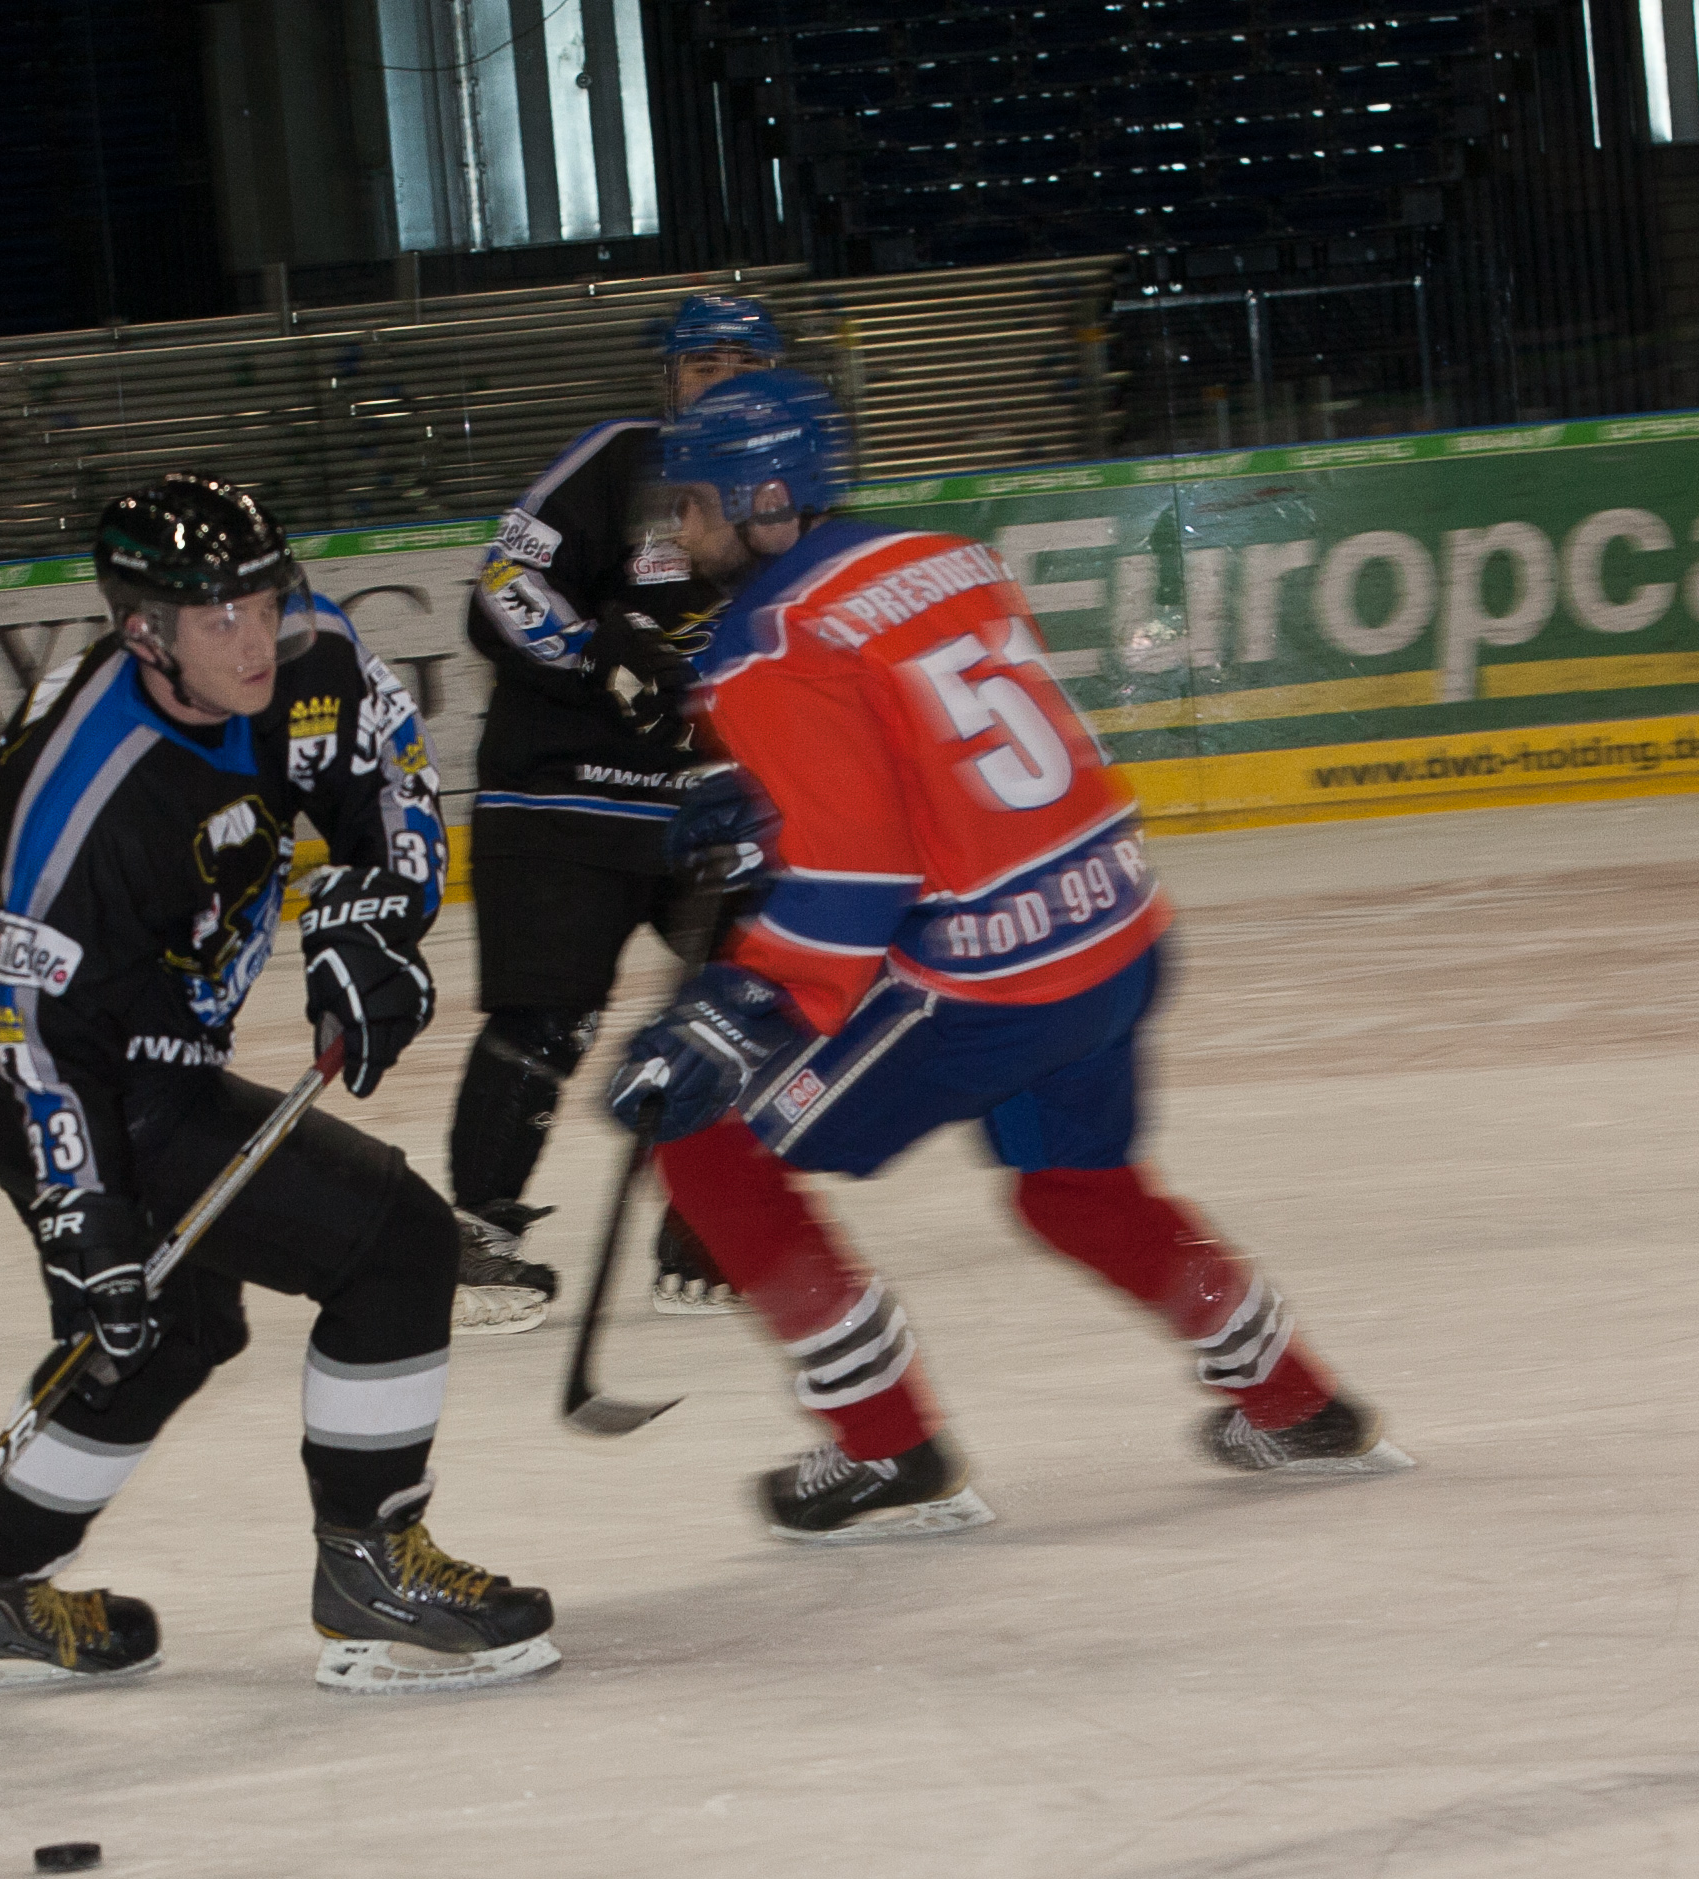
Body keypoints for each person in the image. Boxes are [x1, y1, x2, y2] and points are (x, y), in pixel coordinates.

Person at [604, 374, 1412, 1542]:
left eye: (690, 504)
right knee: (1072, 1186)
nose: (678, 532)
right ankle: (1294, 1402)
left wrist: (740, 1005)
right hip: (1114, 927)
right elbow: (938, 755)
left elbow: (857, 883)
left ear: (762, 497)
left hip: (987, 981)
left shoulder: (765, 639)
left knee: (700, 1135)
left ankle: (886, 1444)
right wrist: (773, 806)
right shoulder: (942, 555)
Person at [0, 471, 557, 1694]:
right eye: (220, 617)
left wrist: (372, 921)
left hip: (151, 1031)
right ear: (143, 630)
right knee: (395, 1242)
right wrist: (85, 1210)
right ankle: (370, 1562)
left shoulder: (309, 654)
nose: (256, 637)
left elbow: (390, 793)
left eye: (264, 601)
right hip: (55, 1060)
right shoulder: (86, 790)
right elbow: (36, 1028)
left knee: (169, 1337)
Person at [444, 291, 778, 1331]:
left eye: (741, 363)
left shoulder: (790, 488)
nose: (720, 381)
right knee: (548, 1013)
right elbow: (503, 587)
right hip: (560, 793)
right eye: (701, 363)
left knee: (754, 997)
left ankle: (705, 1215)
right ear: (667, 379)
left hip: (706, 805)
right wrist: (599, 653)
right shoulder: (619, 457)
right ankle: (475, 1233)